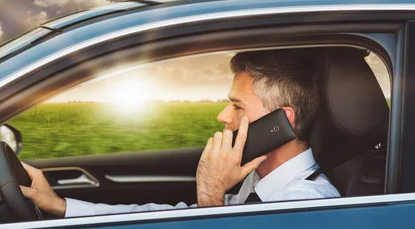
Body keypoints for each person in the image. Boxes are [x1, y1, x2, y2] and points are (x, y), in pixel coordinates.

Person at [20, 49, 340, 218]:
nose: (222, 116)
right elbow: (170, 217)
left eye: (237, 106)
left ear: (280, 123)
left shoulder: (307, 206)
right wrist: (60, 206)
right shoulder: (260, 184)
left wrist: (211, 196)